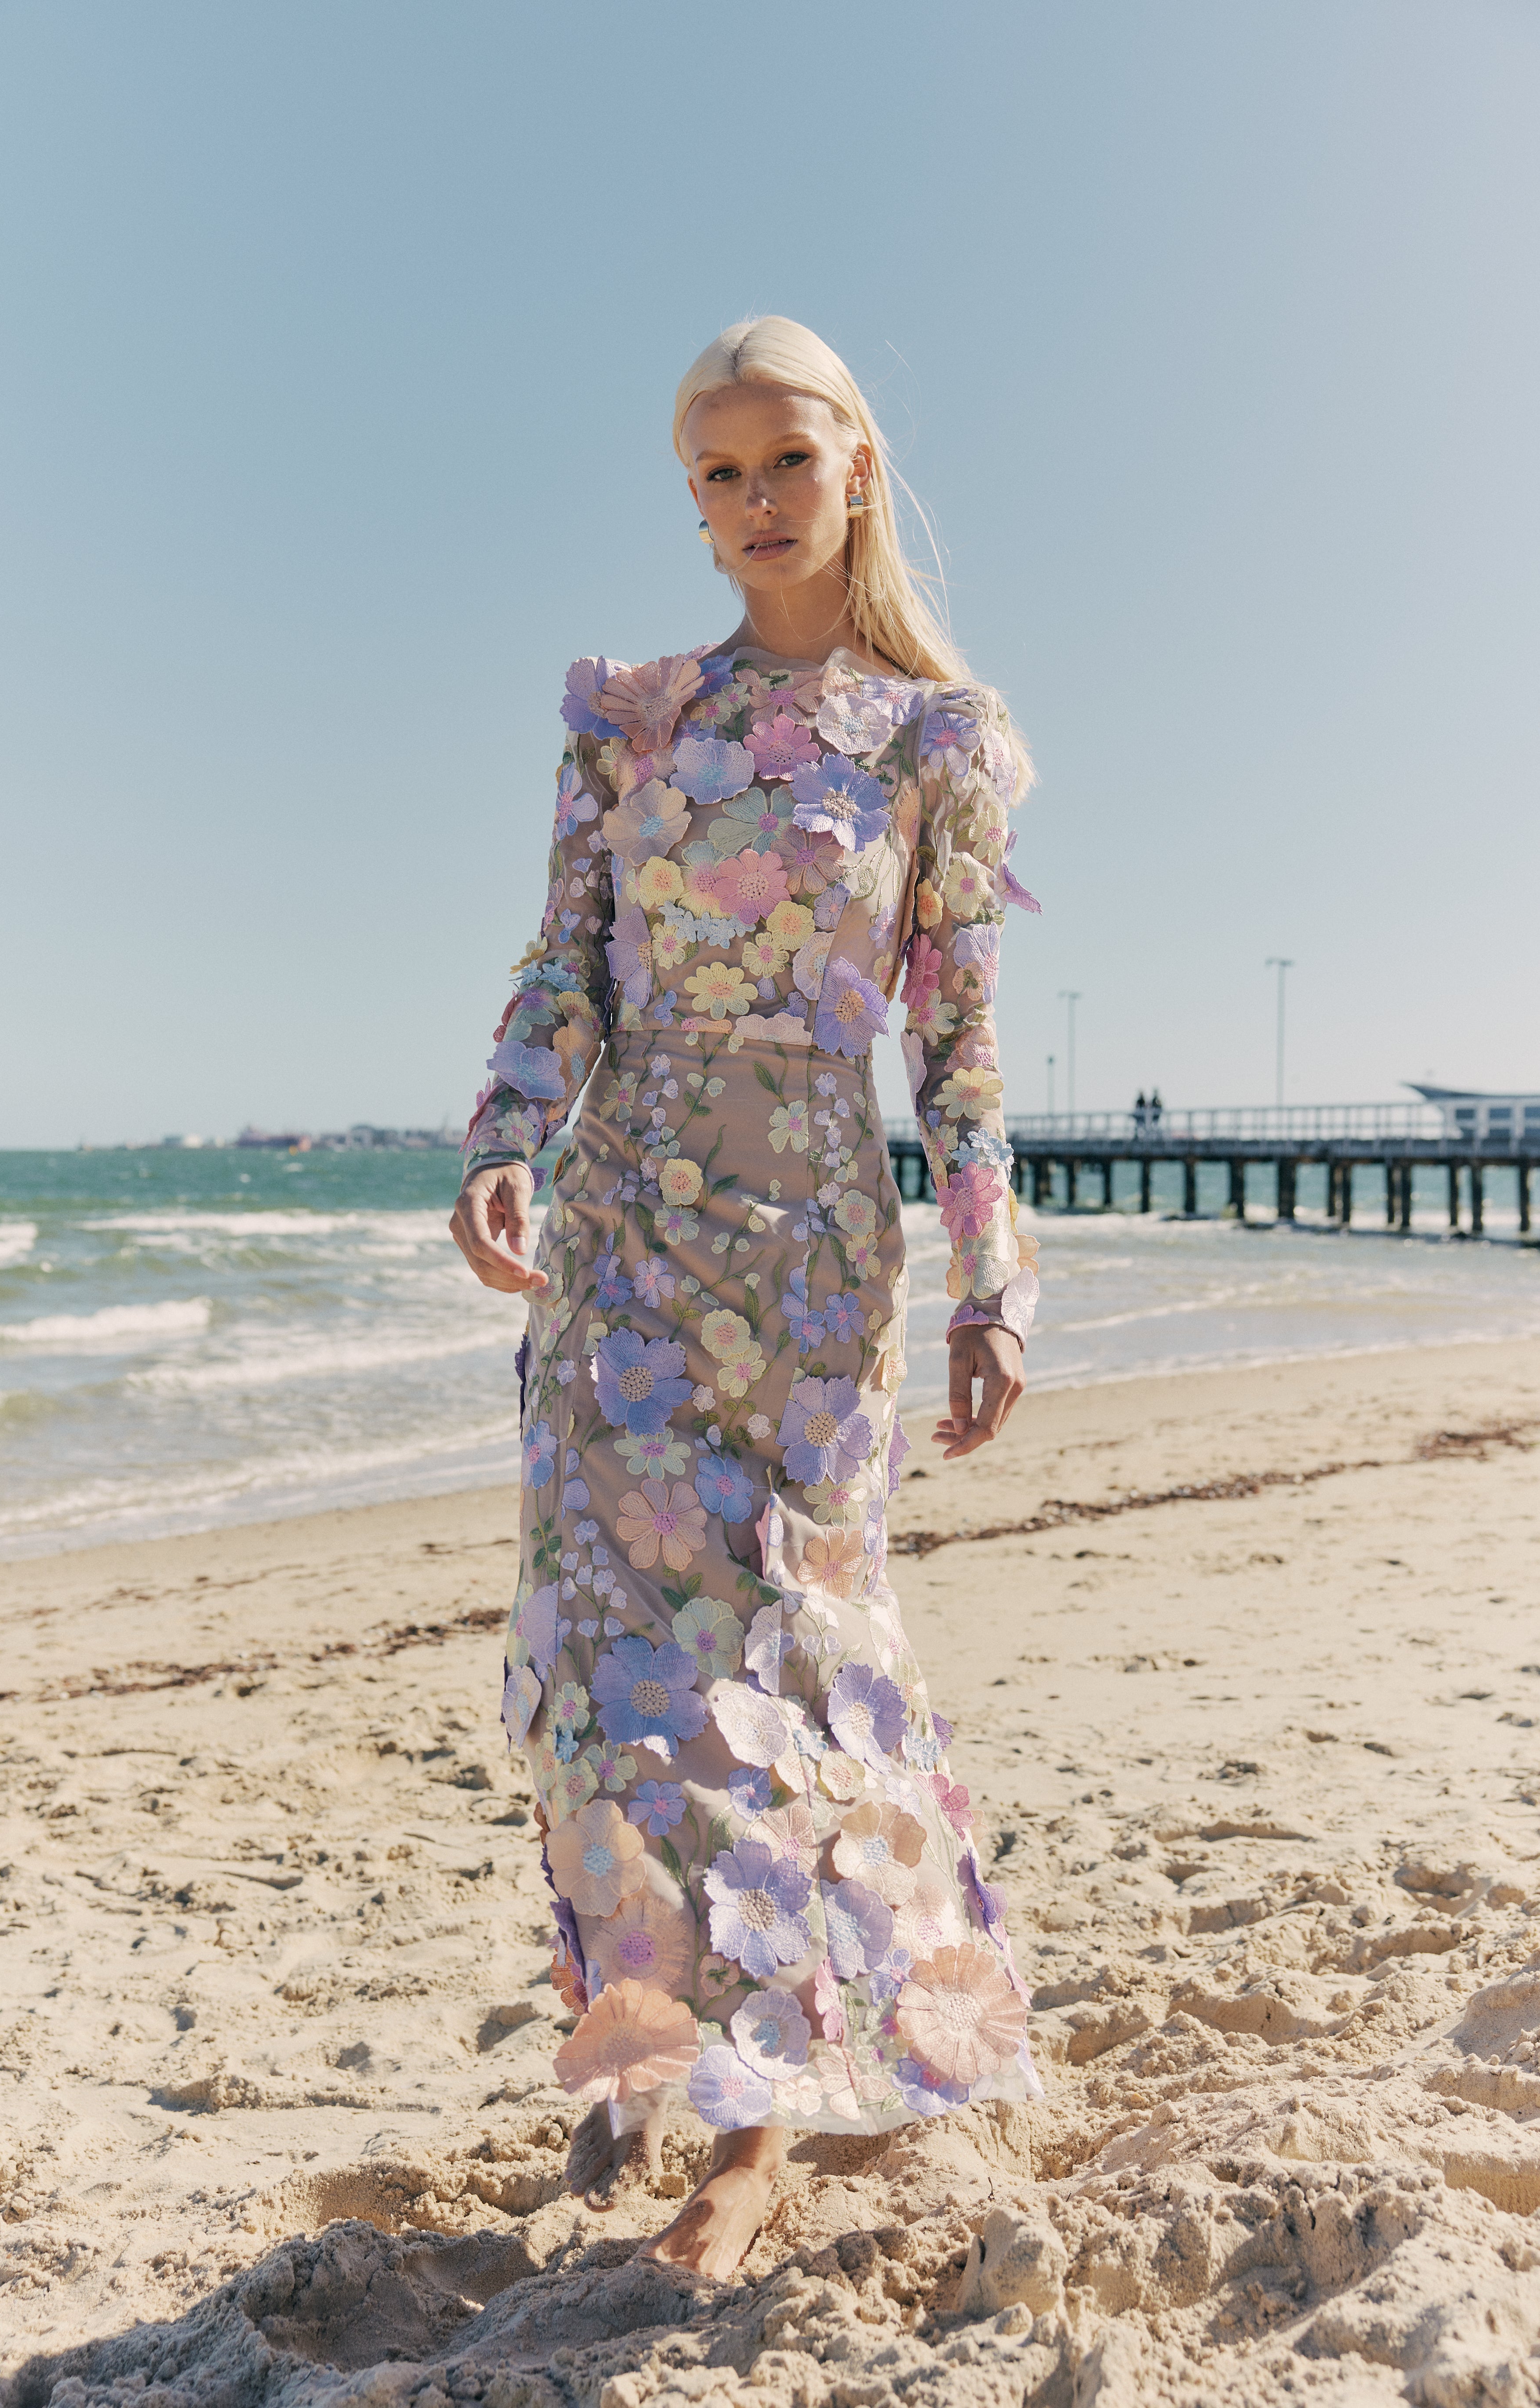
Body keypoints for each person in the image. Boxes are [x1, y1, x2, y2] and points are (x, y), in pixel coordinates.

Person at [450, 317, 1043, 2282]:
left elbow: (954, 1048)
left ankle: (756, 2129)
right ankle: (660, 2056)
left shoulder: (932, 744)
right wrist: (506, 1133)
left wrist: (989, 1278)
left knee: (787, 1671)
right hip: (621, 1239)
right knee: (601, 1673)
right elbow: (565, 970)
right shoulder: (625, 720)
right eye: (715, 474)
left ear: (857, 464)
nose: (751, 505)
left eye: (784, 461)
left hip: (806, 1266)